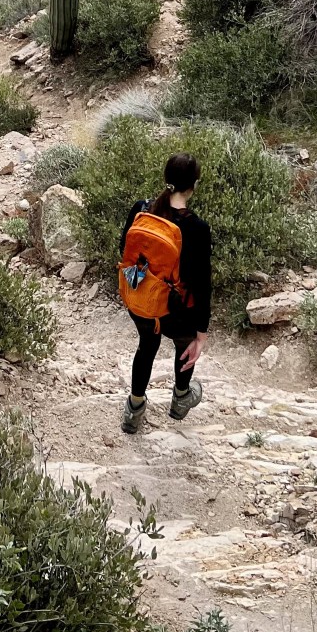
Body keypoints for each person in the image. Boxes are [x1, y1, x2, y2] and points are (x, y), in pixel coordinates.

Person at [118, 150, 212, 433]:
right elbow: (201, 283)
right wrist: (201, 333)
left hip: (142, 299)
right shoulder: (196, 227)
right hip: (175, 309)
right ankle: (181, 397)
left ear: (166, 179)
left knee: (147, 345)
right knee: (185, 346)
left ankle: (134, 410)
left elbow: (124, 248)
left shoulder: (141, 208)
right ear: (193, 185)